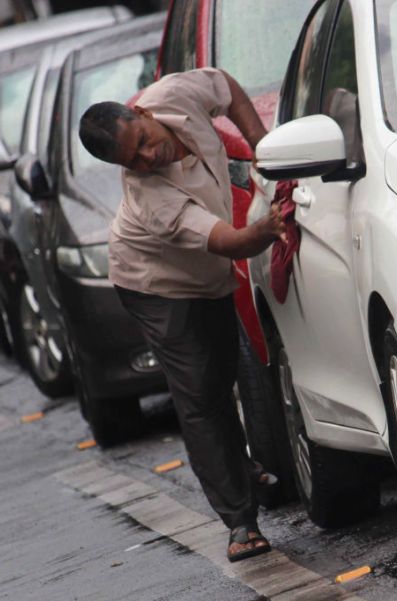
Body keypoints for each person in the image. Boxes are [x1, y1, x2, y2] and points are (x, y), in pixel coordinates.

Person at [78, 67, 284, 563]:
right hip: (158, 286)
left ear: (145, 113)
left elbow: (228, 87)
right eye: (136, 160)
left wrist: (262, 146)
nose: (151, 156)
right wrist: (269, 226)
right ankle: (239, 522)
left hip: (207, 276)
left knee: (221, 376)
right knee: (199, 397)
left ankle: (237, 463)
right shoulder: (150, 197)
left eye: (145, 140)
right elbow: (231, 241)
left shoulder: (173, 94)